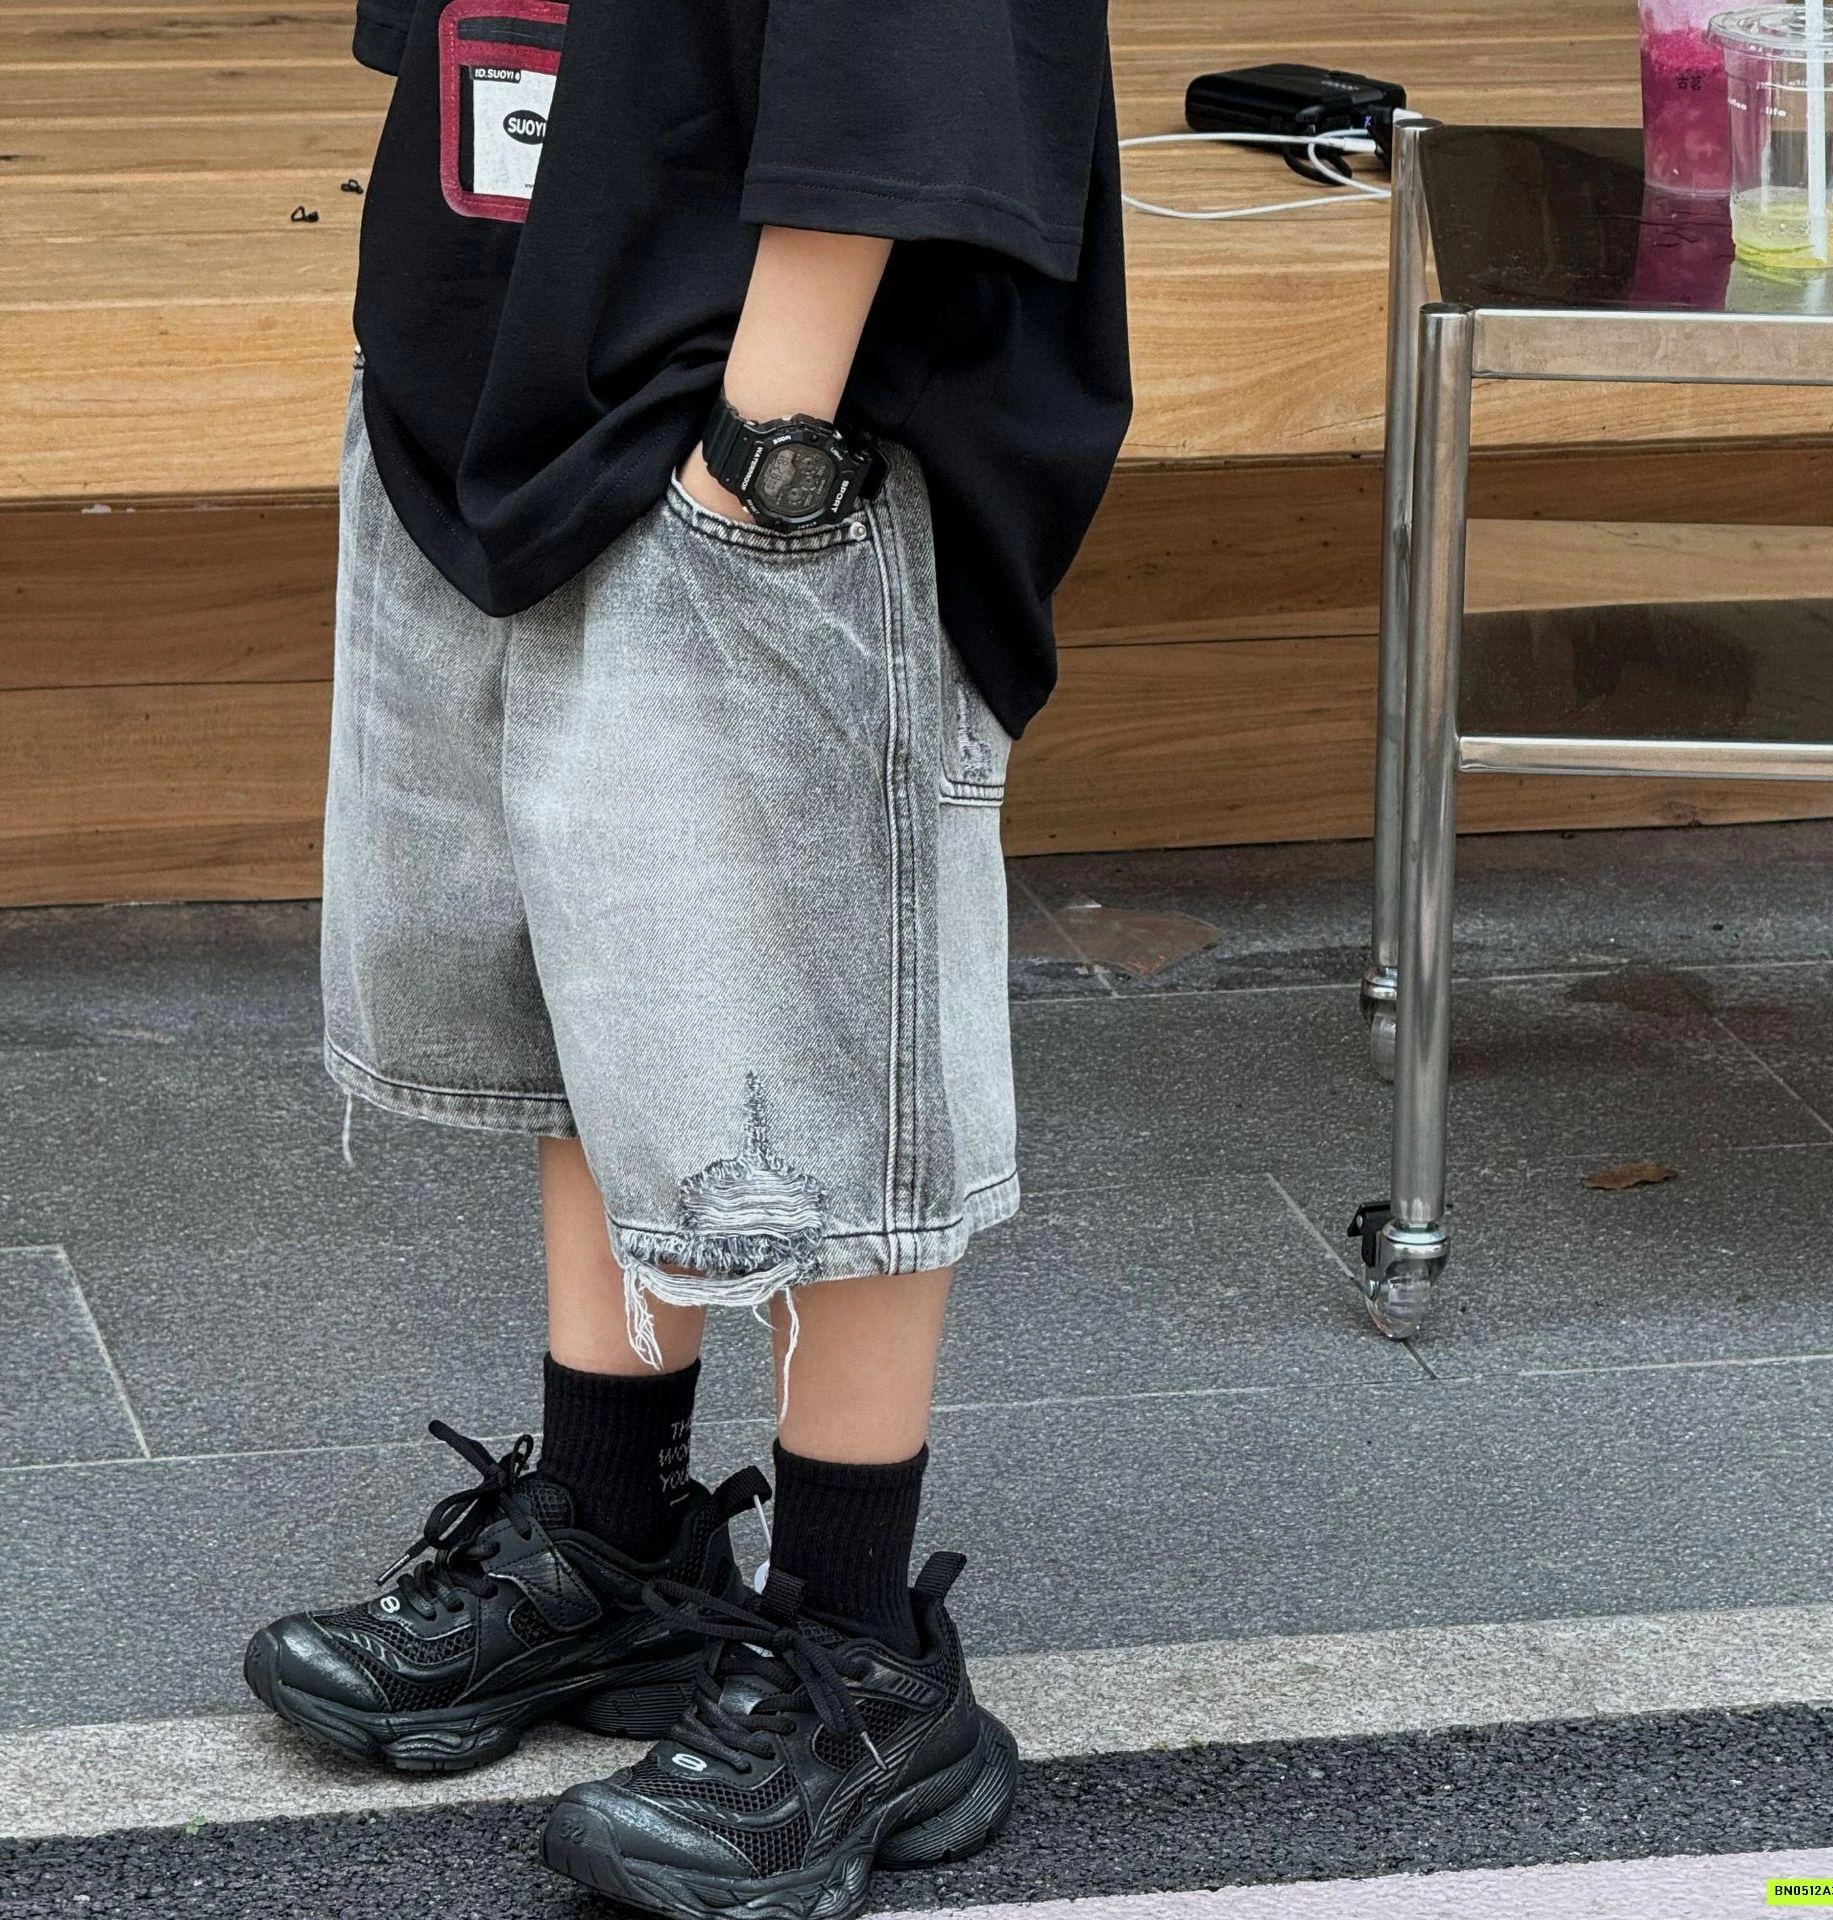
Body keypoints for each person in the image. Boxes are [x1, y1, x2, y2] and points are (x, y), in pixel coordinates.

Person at [243, 0, 1130, 1908]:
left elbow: (914, 69)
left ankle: (860, 1651)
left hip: (758, 427)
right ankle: (613, 1535)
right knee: (608, 976)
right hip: (498, 387)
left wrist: (759, 444)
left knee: (814, 1051)